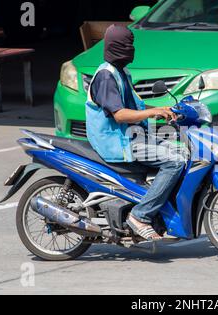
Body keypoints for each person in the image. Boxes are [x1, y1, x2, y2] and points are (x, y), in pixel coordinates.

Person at [85, 25, 187, 241]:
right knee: (175, 162)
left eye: (132, 45)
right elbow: (120, 115)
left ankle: (160, 207)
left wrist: (164, 110)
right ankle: (140, 216)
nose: (131, 50)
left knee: (182, 150)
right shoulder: (106, 76)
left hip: (131, 136)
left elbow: (137, 107)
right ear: (117, 47)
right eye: (128, 45)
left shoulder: (121, 72)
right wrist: (153, 111)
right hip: (118, 142)